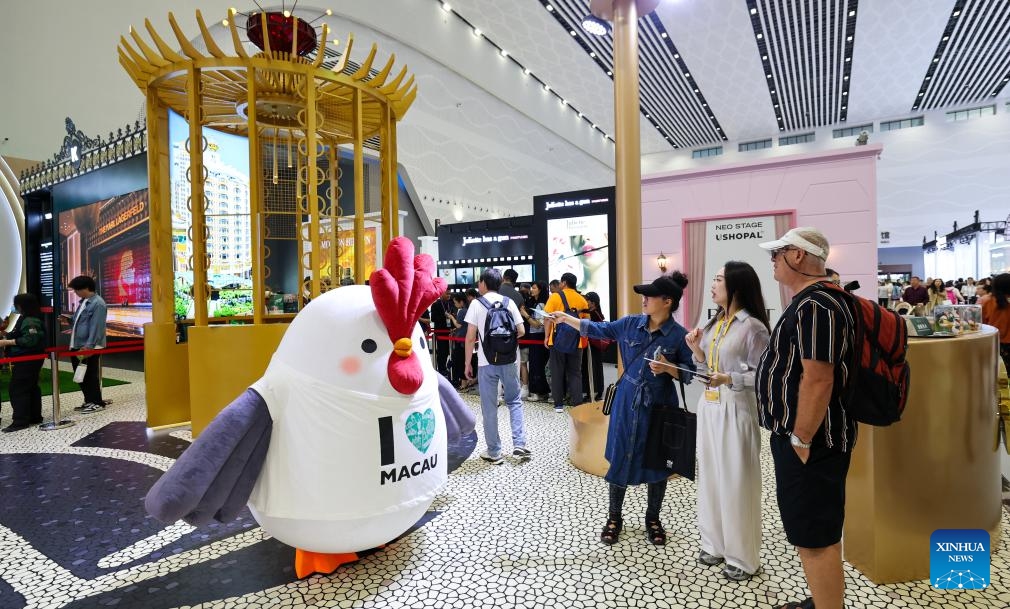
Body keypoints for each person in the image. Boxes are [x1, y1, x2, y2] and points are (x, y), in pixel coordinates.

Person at [550, 272, 694, 546]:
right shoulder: (629, 324)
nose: (644, 299)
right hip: (627, 402)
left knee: (658, 464)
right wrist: (565, 318)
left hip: (660, 404)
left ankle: (653, 518)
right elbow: (597, 329)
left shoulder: (679, 336)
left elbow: (689, 374)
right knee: (619, 456)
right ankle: (614, 517)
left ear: (667, 301)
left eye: (650, 296)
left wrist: (668, 369)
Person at [755, 227, 856, 609]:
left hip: (814, 442)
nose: (773, 261)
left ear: (797, 256)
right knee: (816, 530)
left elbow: (818, 377)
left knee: (814, 537)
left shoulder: (818, 305)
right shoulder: (817, 301)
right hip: (813, 439)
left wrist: (800, 439)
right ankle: (822, 600)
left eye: (777, 254)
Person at [682, 262, 770, 581]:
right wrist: (696, 351)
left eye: (719, 279)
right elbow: (707, 368)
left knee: (736, 481)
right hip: (709, 407)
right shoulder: (714, 323)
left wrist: (728, 377)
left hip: (737, 408)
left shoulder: (753, 327)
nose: (713, 284)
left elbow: (765, 374)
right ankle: (714, 544)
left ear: (735, 286)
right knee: (710, 477)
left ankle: (743, 557)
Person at [464, 268, 530, 465]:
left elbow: (470, 338)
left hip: (486, 363)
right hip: (510, 361)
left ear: (484, 283)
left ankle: (494, 452)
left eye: (479, 282)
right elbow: (521, 330)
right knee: (514, 401)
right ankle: (519, 444)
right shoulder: (509, 303)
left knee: (489, 407)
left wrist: (468, 363)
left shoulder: (476, 304)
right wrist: (506, 343)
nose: (478, 285)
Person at [0, 294, 47, 432]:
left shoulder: (31, 320)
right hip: (29, 359)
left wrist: (7, 342)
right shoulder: (25, 318)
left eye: (16, 304)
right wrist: (6, 336)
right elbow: (19, 334)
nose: (14, 307)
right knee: (31, 387)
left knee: (18, 388)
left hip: (28, 359)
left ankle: (20, 421)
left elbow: (29, 340)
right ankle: (34, 416)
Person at [543, 272, 589, 413]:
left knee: (557, 372)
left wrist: (546, 336)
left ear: (563, 283)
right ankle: (578, 405)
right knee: (575, 373)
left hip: (557, 340)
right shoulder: (582, 300)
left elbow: (547, 318)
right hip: (577, 342)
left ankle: (558, 405)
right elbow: (586, 322)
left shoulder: (555, 297)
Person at [68, 275, 108, 413]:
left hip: (88, 346)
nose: (75, 293)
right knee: (81, 375)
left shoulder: (98, 303)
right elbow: (80, 322)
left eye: (76, 290)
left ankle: (96, 402)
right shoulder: (84, 302)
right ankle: (89, 400)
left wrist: (89, 346)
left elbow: (96, 327)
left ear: (85, 288)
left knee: (89, 375)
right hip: (78, 344)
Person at [499, 269, 527, 399]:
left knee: (496, 366)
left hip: (494, 337)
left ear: (504, 277)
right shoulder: (519, 296)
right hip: (512, 336)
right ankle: (512, 393)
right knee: (513, 366)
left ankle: (498, 394)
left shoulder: (496, 291)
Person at [522, 280, 551, 401]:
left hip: (538, 337)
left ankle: (540, 392)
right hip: (535, 338)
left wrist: (525, 314)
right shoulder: (535, 303)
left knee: (537, 365)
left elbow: (538, 325)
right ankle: (538, 391)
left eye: (534, 288)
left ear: (540, 290)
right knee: (534, 364)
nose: (532, 290)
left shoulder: (541, 305)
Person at [982, 273, 1010, 374]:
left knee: (997, 373)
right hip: (1004, 343)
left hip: (994, 342)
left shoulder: (987, 301)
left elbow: (981, 324)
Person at [581, 291, 606, 401]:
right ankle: (597, 391)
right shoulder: (597, 313)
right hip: (595, 344)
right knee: (596, 367)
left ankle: (592, 392)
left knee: (591, 367)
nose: (585, 302)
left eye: (587, 300)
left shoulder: (592, 314)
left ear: (593, 303)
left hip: (592, 344)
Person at [429, 290, 453, 379]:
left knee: (448, 351)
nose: (449, 295)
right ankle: (441, 369)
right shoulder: (435, 305)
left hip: (450, 332)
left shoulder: (451, 304)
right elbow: (433, 318)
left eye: (450, 294)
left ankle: (447, 367)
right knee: (442, 352)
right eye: (447, 293)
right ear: (442, 293)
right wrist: (445, 316)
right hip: (440, 332)